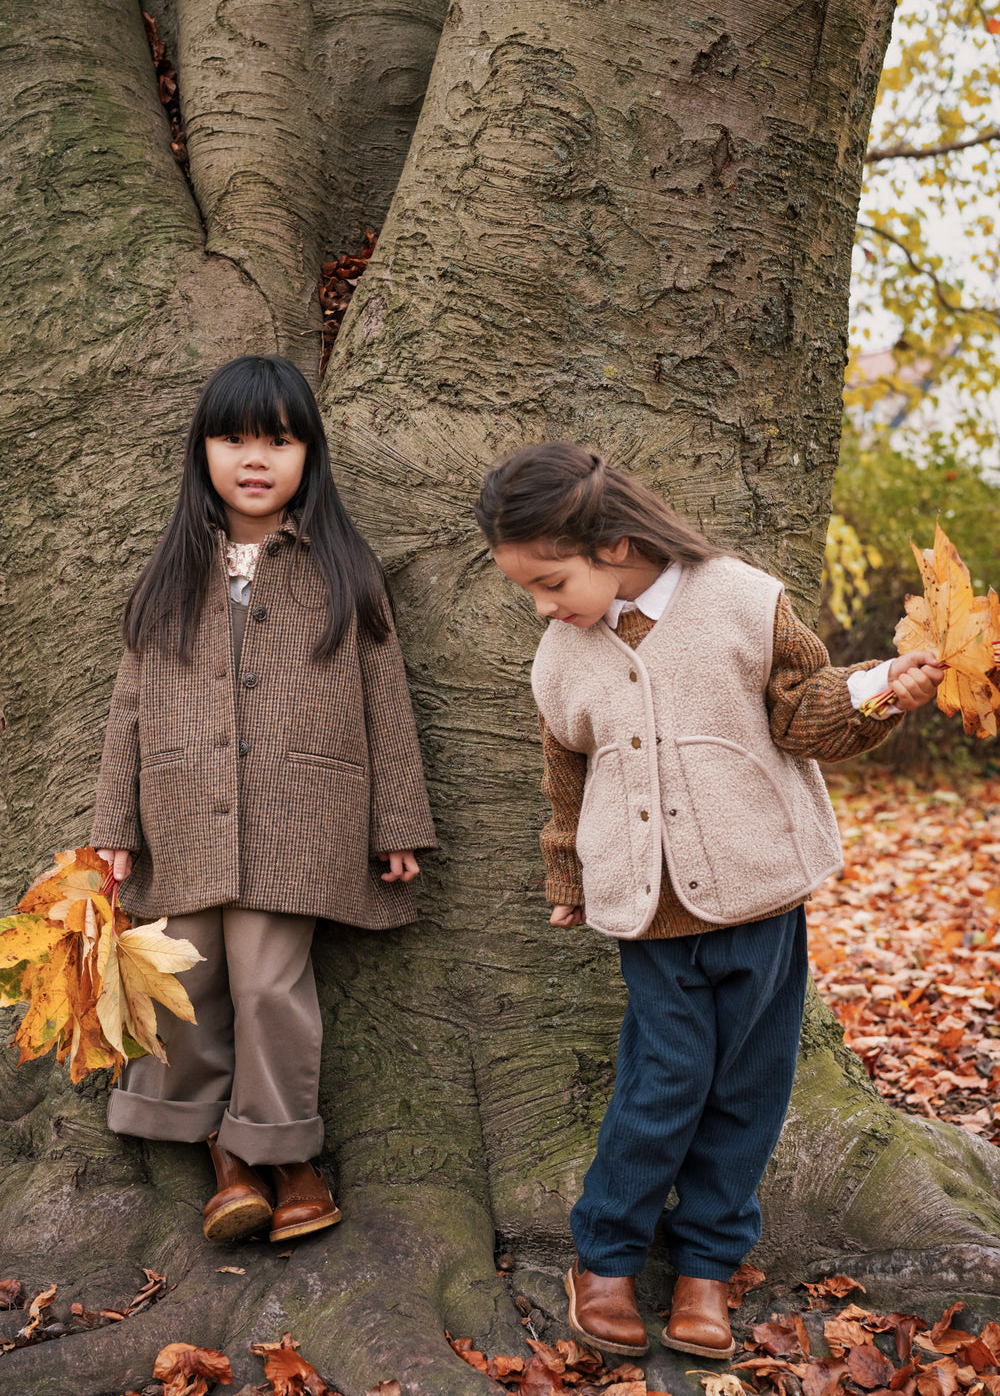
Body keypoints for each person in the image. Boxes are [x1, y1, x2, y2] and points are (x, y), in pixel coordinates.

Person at [474, 442, 942, 1360]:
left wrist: (885, 691)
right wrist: (567, 878)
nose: (541, 605)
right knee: (667, 1078)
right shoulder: (563, 656)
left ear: (610, 545)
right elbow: (565, 777)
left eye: (550, 580)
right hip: (650, 916)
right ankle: (603, 1255)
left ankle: (705, 1269)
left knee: (750, 1089)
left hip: (762, 899)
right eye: (528, 590)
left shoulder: (742, 599)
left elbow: (805, 713)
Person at [93, 355, 436, 1245]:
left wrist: (398, 824)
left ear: (308, 455)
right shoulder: (169, 573)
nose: (256, 458)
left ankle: (286, 1152)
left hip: (301, 822)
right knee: (187, 979)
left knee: (271, 984)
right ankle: (221, 1152)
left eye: (279, 440)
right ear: (202, 452)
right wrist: (114, 826)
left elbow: (385, 701)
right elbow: (130, 708)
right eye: (235, 438)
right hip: (183, 816)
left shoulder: (344, 571)